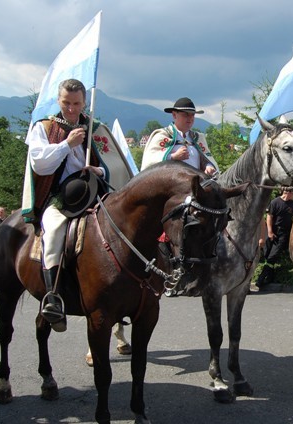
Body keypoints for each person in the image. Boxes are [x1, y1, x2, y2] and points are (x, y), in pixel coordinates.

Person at [22, 78, 130, 332]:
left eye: (77, 103)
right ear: (58, 101)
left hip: (94, 192)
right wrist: (66, 145)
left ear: (84, 102)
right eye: (67, 103)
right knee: (55, 230)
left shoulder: (95, 128)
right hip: (60, 197)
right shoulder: (44, 127)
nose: (72, 109)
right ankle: (53, 296)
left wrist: (99, 170)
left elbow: (116, 166)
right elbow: (40, 163)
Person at [141, 97, 218, 174]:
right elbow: (150, 160)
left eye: (192, 115)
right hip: (169, 184)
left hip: (196, 183)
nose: (190, 118)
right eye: (186, 114)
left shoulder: (198, 138)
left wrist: (208, 166)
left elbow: (206, 159)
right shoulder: (162, 135)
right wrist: (173, 157)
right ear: (174, 115)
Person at [255, 187, 293, 290]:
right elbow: (269, 217)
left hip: (284, 233)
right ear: (288, 192)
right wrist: (269, 232)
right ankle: (269, 277)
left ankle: (260, 280)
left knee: (272, 256)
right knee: (267, 255)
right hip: (273, 231)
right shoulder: (275, 202)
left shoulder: (292, 204)